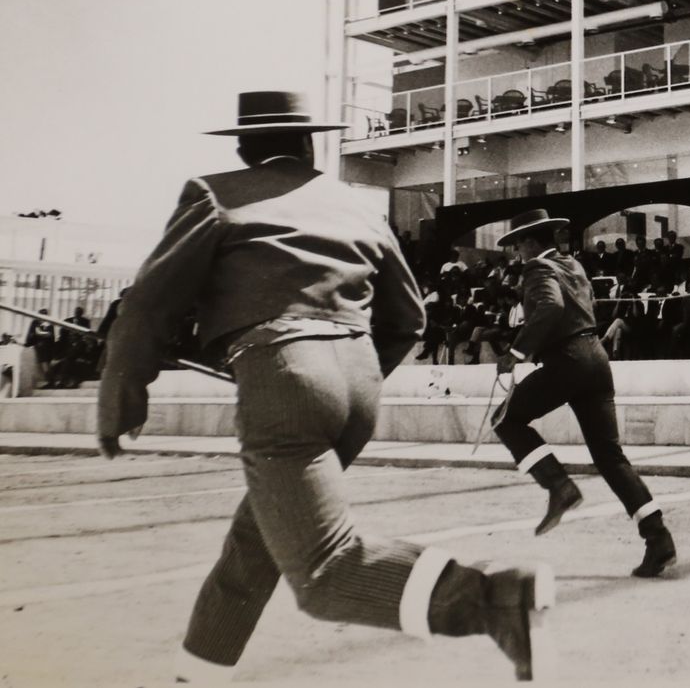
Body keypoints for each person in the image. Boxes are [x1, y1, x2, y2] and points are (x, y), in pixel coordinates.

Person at [97, 91, 550, 680]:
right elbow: (409, 320)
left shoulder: (212, 193)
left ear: (241, 148)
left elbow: (149, 304)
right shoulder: (354, 206)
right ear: (309, 144)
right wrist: (343, 372)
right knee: (251, 550)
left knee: (324, 572)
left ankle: (493, 599)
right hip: (356, 383)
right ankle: (196, 674)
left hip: (286, 379)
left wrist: (122, 394)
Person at [490, 208, 677, 579]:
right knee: (610, 455)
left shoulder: (536, 269)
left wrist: (514, 353)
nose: (516, 253)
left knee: (507, 419)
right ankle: (658, 538)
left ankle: (558, 486)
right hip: (595, 358)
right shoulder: (572, 264)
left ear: (529, 242)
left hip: (567, 361)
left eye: (517, 245)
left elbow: (550, 306)